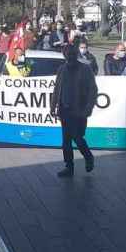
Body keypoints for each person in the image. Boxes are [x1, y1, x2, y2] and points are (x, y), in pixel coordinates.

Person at [51, 44, 98, 178]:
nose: (69, 56)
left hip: (79, 110)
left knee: (77, 137)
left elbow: (93, 91)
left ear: (76, 54)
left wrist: (88, 108)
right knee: (66, 141)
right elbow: (57, 89)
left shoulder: (85, 69)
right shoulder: (61, 69)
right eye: (67, 54)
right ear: (64, 55)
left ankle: (88, 157)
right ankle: (69, 166)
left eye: (72, 53)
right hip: (64, 110)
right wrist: (53, 106)